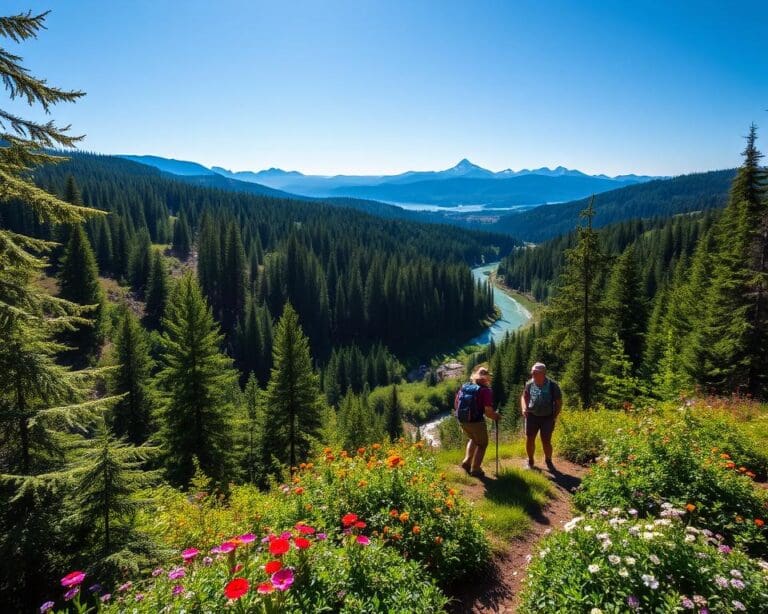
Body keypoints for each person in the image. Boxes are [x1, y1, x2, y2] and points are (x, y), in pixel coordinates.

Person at [457, 366, 501, 478]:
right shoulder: (485, 391)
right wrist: (496, 416)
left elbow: (456, 403)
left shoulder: (465, 387)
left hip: (463, 420)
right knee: (482, 444)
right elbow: (488, 412)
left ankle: (467, 462)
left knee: (473, 439)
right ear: (487, 379)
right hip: (476, 421)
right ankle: (476, 469)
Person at [520, 362, 562, 470]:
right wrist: (524, 408)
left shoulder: (553, 386)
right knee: (530, 439)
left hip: (547, 417)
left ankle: (548, 460)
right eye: (532, 372)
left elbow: (559, 402)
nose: (532, 374)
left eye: (535, 372)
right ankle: (530, 461)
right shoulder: (529, 384)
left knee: (546, 440)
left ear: (543, 374)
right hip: (532, 416)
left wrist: (554, 416)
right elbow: (524, 397)